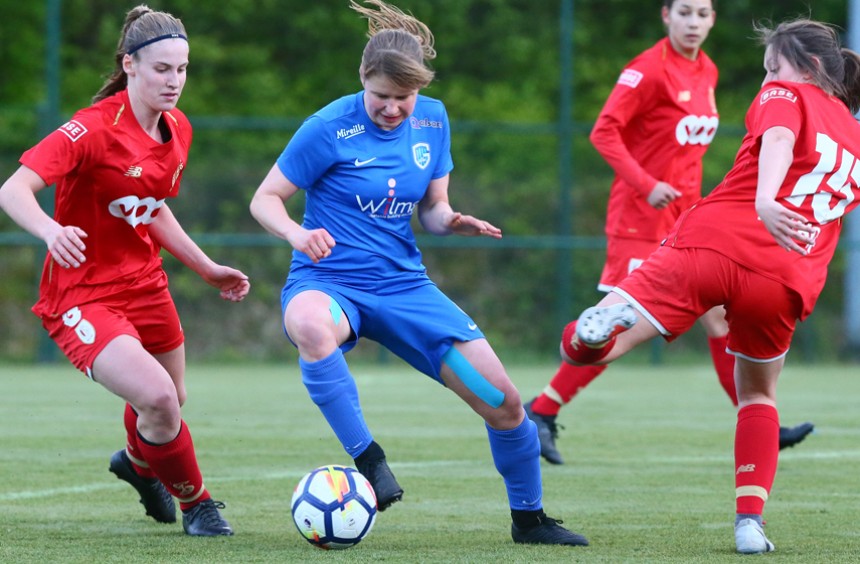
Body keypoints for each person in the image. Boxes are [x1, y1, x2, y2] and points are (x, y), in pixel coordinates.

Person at [249, 0, 587, 547]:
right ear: (363, 80)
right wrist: (295, 234)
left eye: (402, 98)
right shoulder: (327, 127)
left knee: (503, 404)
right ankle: (371, 462)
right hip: (329, 282)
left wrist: (451, 220)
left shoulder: (433, 118)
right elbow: (264, 199)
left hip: (405, 288)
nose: (392, 109)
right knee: (310, 326)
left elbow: (431, 210)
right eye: (382, 97)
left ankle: (530, 520)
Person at [559, 18, 860, 554]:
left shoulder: (785, 93)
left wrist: (767, 198)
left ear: (809, 68)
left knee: (597, 353)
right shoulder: (855, 139)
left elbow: (781, 134)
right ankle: (749, 525)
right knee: (759, 396)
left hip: (713, 244)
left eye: (774, 66)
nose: (768, 77)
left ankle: (594, 329)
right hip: (786, 276)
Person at [524, 0, 813, 465]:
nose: (693, 22)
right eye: (684, 12)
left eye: (702, 13)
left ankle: (758, 420)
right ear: (666, 16)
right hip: (639, 219)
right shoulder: (647, 70)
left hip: (690, 219)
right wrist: (647, 184)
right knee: (616, 324)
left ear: (713, 19)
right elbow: (604, 132)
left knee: (720, 319)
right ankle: (540, 410)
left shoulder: (708, 71)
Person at [0, 5, 249, 536]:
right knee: (158, 399)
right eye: (162, 69)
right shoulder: (90, 130)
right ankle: (198, 504)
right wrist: (50, 230)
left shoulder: (177, 128)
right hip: (83, 295)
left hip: (146, 285)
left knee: (171, 403)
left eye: (182, 69)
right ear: (129, 64)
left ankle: (138, 465)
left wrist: (205, 267)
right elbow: (13, 189)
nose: (174, 81)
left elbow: (151, 205)